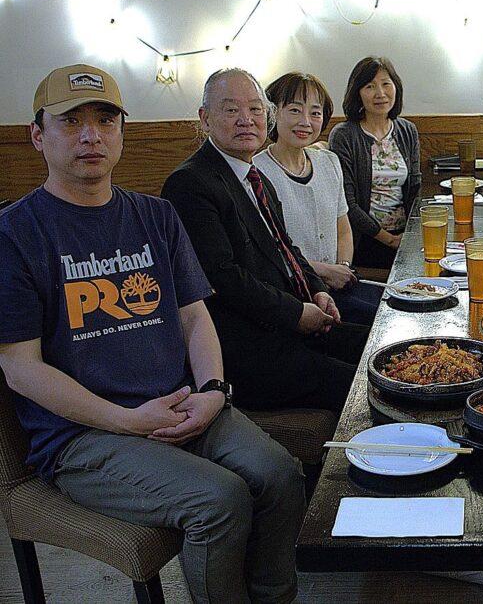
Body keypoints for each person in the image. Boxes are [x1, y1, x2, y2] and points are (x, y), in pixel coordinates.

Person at [0, 64, 304, 604]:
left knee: (281, 474)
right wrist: (127, 420)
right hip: (85, 437)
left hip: (186, 405)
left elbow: (194, 317)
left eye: (105, 120)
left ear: (122, 132)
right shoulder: (16, 233)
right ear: (37, 135)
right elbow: (20, 367)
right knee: (221, 500)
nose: (91, 135)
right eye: (71, 122)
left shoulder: (156, 216)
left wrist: (213, 392)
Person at [161, 68, 367, 412]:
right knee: (363, 383)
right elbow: (223, 277)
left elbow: (285, 248)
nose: (246, 119)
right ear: (205, 119)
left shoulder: (255, 176)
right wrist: (297, 312)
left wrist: (316, 288)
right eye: (231, 110)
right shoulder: (190, 184)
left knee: (380, 347)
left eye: (256, 109)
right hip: (251, 349)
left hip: (291, 326)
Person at [253, 71, 383, 327]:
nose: (306, 121)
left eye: (315, 112)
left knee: (397, 307)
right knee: (376, 325)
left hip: (339, 284)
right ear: (272, 113)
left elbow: (343, 228)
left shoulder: (329, 162)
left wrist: (343, 268)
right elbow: (269, 252)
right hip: (295, 295)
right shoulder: (257, 172)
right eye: (294, 110)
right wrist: (324, 273)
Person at [328, 56, 421, 269]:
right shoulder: (344, 135)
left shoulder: (407, 130)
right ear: (357, 93)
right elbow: (347, 203)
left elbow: (415, 188)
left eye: (386, 84)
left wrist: (411, 235)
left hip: (404, 237)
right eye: (370, 86)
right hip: (363, 241)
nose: (380, 93)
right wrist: (389, 239)